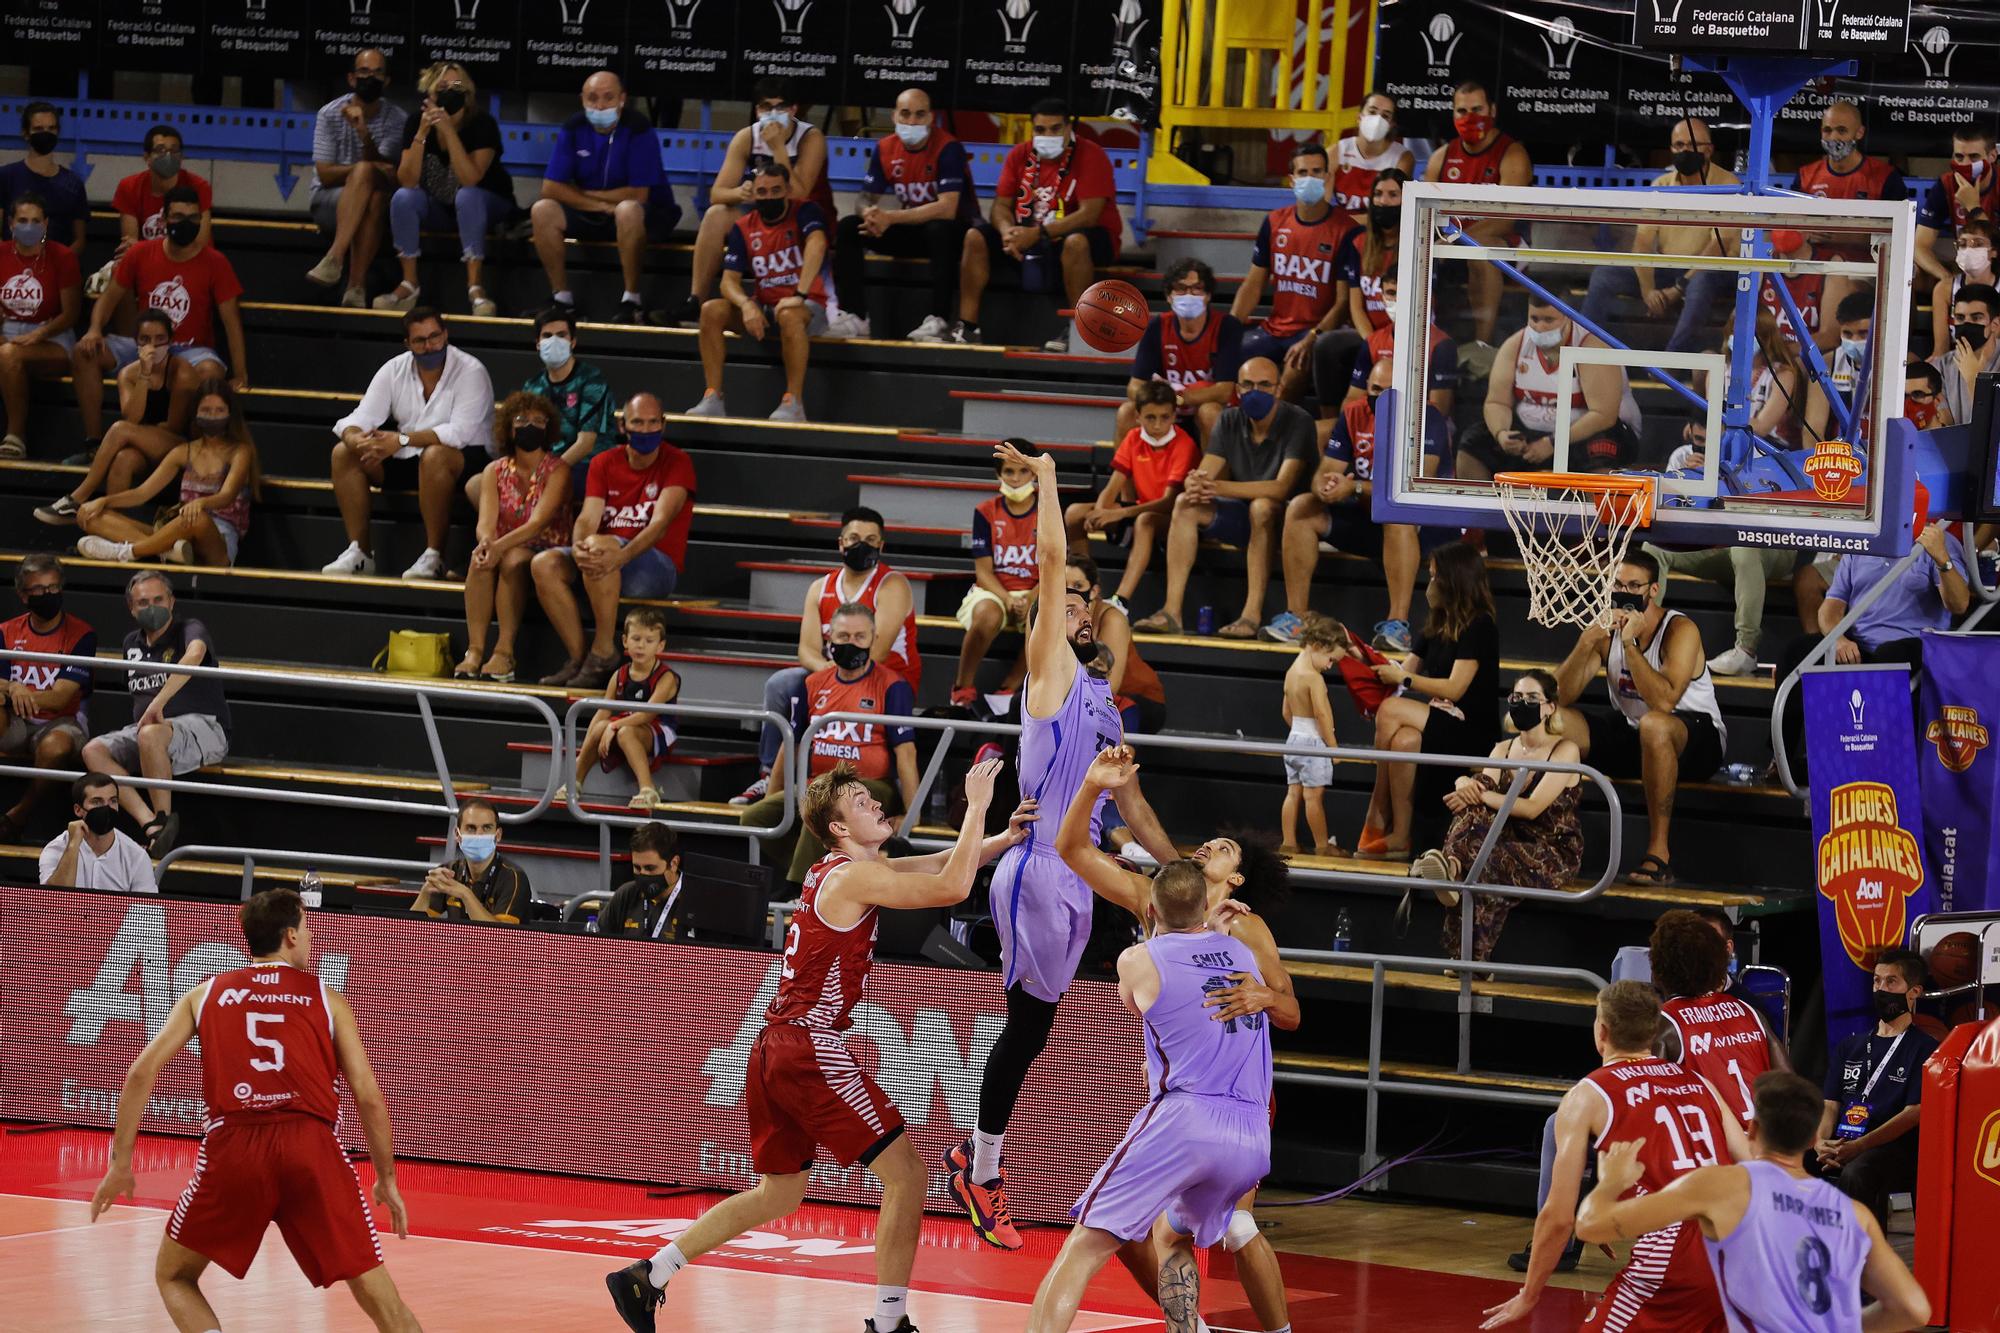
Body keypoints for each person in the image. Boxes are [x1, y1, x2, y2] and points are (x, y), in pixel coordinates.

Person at [606, 759, 1030, 1333]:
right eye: (861, 802)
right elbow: (951, 885)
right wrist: (977, 806)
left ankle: (648, 1274)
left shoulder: (843, 869)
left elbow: (935, 863)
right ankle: (888, 1323)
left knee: (779, 1192)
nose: (876, 804)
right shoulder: (851, 878)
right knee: (907, 1176)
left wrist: (1002, 838)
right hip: (809, 1046)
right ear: (838, 828)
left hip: (774, 1045)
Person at [947, 442, 1178, 1251]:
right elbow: (1051, 557)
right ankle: (979, 1169)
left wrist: (1176, 863)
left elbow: (1134, 804)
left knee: (1039, 1024)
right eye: (1069, 598)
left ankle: (985, 1162)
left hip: (1082, 869)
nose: (1079, 604)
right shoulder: (1047, 666)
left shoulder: (1105, 699)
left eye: (1085, 598)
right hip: (1040, 865)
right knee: (1028, 1023)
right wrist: (1047, 476)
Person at [88, 887, 421, 1333]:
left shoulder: (205, 994)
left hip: (235, 1148)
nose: (309, 938)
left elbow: (139, 1074)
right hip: (311, 1148)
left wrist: (120, 1164)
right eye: (305, 928)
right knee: (377, 1294)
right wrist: (387, 1177)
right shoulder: (325, 998)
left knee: (175, 1276)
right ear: (288, 935)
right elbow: (368, 1096)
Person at [1054, 745, 1297, 1333]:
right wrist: (1105, 784)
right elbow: (1077, 850)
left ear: (1236, 878)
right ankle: (1187, 1325)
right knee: (1165, 1231)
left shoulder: (1246, 926)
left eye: (1226, 847)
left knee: (1235, 1228)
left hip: (1237, 1095)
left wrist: (1264, 995)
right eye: (1210, 840)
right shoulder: (1156, 902)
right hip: (1180, 1095)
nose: (1211, 843)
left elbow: (1290, 1009)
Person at [1024, 860, 1276, 1333]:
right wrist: (1209, 936)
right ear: (1207, 904)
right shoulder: (1242, 954)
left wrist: (1174, 934)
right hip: (1252, 1133)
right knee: (1175, 1235)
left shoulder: (1137, 958)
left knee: (1084, 1244)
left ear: (1153, 908)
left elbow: (1140, 994)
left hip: (1187, 1117)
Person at [1479, 980, 1743, 1331]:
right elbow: (1754, 1159)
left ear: (1601, 1031)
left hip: (1675, 1247)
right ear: (1654, 1032)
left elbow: (1558, 1217)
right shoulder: (1698, 1082)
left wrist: (1530, 1292)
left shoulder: (1587, 1095)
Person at [1581, 1076, 1932, 1333]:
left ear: (1751, 1128)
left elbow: (1591, 1225)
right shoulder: (1854, 1215)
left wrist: (1610, 1182)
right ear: (1813, 1139)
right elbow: (1914, 1310)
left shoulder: (1724, 1185)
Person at [1554, 551, 1726, 886]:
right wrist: (1586, 641)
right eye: (1618, 584)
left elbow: (1664, 701)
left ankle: (1659, 852)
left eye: (1634, 585)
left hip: (1695, 735)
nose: (1624, 591)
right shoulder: (1606, 631)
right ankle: (1546, 836)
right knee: (1549, 721)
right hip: (1635, 731)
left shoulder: (1680, 629)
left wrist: (1630, 646)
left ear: (1653, 591)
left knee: (1654, 725)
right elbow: (1557, 698)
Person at [1269, 356, 1452, 651]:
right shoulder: (1353, 413)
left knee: (1396, 511)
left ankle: (1398, 624)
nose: (1378, 398)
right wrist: (1324, 487)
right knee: (1301, 507)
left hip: (1425, 528)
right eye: (1374, 389)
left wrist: (1353, 487)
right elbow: (1327, 468)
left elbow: (1415, 486)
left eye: (1387, 392)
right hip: (1365, 517)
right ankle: (1297, 616)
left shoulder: (1428, 418)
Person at [738, 508, 917, 806]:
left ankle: (886, 785)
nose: (863, 545)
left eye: (871, 540)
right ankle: (770, 774)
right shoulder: (820, 588)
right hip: (838, 674)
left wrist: (837, 680)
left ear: (882, 546)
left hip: (885, 680)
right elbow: (805, 650)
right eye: (855, 538)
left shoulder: (892, 585)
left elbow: (878, 651)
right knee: (782, 684)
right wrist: (828, 678)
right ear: (840, 543)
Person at [1404, 669, 1581, 964]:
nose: (1522, 703)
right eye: (1517, 697)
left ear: (1550, 707)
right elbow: (1478, 790)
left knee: (1483, 860)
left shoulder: (1565, 750)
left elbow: (1532, 807)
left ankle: (1467, 957)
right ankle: (1453, 866)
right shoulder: (1503, 748)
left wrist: (1476, 791)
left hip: (1550, 851)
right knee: (1477, 824)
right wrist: (1465, 783)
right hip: (1504, 840)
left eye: (1532, 698)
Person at [1133, 358, 1317, 640]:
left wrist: (1217, 487)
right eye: (1247, 385)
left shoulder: (1298, 421)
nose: (1255, 391)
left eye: (1264, 385)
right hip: (1243, 518)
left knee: (1262, 506)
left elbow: (1281, 488)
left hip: (1289, 524)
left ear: (1279, 389)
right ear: (1238, 389)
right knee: (1185, 504)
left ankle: (1251, 615)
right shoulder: (1230, 419)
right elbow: (1207, 472)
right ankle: (1171, 612)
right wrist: (1195, 482)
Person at [740, 603, 918, 881]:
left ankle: (797, 889)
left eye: (860, 637)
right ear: (829, 639)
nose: (852, 643)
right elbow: (792, 744)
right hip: (817, 784)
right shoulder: (812, 683)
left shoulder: (893, 685)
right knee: (754, 818)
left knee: (828, 804)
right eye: (844, 636)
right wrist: (776, 794)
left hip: (872, 786)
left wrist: (912, 812)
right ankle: (821, 875)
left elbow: (906, 753)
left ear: (874, 639)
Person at [532, 394, 696, 688]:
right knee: (545, 564)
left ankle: (605, 648)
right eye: (637, 422)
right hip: (605, 556)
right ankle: (581, 657)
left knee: (603, 545)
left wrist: (621, 555)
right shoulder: (604, 461)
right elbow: (587, 517)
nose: (645, 430)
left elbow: (659, 526)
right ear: (622, 425)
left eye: (652, 423)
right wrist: (580, 546)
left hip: (654, 565)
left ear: (663, 425)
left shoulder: (677, 462)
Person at [325, 307, 494, 580]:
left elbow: (459, 433)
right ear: (408, 344)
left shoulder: (470, 370)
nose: (429, 346)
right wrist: (356, 438)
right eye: (420, 340)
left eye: (435, 337)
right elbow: (359, 417)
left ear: (446, 334)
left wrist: (401, 439)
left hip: (465, 461)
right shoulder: (394, 368)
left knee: (435, 455)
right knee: (343, 453)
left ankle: (434, 555)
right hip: (409, 457)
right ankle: (360, 552)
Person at [1358, 543, 1501, 861]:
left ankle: (1377, 812)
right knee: (1405, 739)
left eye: (1435, 577)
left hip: (1471, 730)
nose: (1429, 584)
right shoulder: (1436, 622)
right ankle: (1400, 836)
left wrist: (1403, 681)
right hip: (1442, 720)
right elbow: (1404, 669)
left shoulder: (1480, 625)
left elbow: (1455, 688)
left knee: (1391, 709)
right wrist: (1359, 655)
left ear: (1454, 580)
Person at [71, 188, 246, 444]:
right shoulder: (140, 253)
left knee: (210, 371)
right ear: (163, 219)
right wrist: (95, 328)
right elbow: (108, 299)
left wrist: (240, 374)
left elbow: (232, 323)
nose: (186, 223)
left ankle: (192, 448)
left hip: (191, 350)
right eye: (178, 216)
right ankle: (93, 442)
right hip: (141, 344)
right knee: (83, 351)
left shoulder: (216, 262)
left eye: (193, 218)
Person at [951, 98, 1123, 350]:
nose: (1048, 135)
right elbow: (1000, 206)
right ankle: (967, 327)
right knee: (975, 237)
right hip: (1029, 237)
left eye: (1055, 129)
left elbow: (1090, 215)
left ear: (1068, 128)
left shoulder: (1091, 155)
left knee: (1076, 242)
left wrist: (1038, 233)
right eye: (1041, 130)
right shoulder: (1020, 154)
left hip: (1088, 239)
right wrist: (1008, 232)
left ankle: (1077, 328)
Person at [664, 76, 834, 328]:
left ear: (793, 110)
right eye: (766, 107)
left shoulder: (811, 137)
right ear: (757, 111)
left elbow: (799, 194)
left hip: (799, 218)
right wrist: (741, 193)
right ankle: (695, 300)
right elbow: (717, 193)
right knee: (716, 214)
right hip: (759, 215)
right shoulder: (746, 137)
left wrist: (777, 147)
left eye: (780, 107)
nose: (773, 113)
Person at [81, 571, 229, 855]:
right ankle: (151, 824)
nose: (152, 607)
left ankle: (163, 818)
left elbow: (195, 655)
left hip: (204, 728)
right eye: (143, 602)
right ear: (131, 608)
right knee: (93, 750)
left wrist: (157, 703)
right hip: (152, 732)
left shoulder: (189, 628)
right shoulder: (130, 644)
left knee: (149, 733)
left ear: (172, 602)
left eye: (158, 599)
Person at [532, 70, 679, 324]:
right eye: (592, 98)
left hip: (647, 213)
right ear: (582, 100)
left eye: (608, 98)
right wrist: (598, 204)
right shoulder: (574, 126)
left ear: (622, 99)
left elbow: (638, 193)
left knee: (627, 210)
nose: (600, 105)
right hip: (596, 212)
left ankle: (631, 299)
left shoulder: (639, 128)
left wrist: (582, 195)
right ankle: (562, 299)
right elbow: (551, 188)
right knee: (542, 209)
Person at [831, 86, 977, 341]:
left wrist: (891, 218)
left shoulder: (948, 147)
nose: (912, 121)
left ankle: (939, 320)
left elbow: (947, 208)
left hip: (955, 233)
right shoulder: (886, 148)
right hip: (913, 229)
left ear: (931, 118)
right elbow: (864, 197)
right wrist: (870, 214)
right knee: (848, 227)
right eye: (906, 114)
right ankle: (855, 316)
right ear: (894, 117)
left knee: (938, 229)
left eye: (920, 115)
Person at [1580, 119, 1740, 352]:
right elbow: (1643, 242)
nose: (1685, 151)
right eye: (1678, 145)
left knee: (1701, 281)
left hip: (1714, 271)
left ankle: (1669, 362)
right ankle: (1585, 349)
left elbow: (1719, 247)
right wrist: (1648, 290)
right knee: (1604, 275)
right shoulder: (1661, 184)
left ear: (1709, 149)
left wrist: (1678, 289)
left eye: (1692, 145)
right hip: (1670, 268)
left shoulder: (1728, 184)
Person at [688, 163, 828, 422]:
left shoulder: (806, 212)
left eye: (776, 190)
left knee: (789, 314)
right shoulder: (743, 226)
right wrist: (745, 304)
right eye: (762, 192)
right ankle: (713, 397)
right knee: (711, 310)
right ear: (754, 194)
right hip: (765, 307)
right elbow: (728, 281)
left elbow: (817, 245)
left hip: (808, 306)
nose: (769, 197)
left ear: (787, 190)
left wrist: (800, 293)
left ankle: (794, 401)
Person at [34, 308, 199, 523]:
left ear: (171, 341)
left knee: (120, 429)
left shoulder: (182, 374)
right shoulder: (129, 374)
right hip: (144, 442)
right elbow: (133, 417)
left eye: (160, 339)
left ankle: (78, 497)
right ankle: (111, 532)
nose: (153, 346)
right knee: (123, 459)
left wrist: (139, 434)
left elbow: (174, 427)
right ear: (136, 342)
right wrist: (145, 374)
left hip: (182, 446)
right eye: (146, 339)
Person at [1814, 951, 1938, 1229]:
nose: (1881, 989)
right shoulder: (1851, 1045)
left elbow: (1913, 1113)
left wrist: (1860, 1146)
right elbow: (1831, 1103)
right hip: (1845, 1140)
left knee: (1858, 1172)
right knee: (1790, 1160)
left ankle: (1868, 1263)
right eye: (1876, 981)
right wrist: (1820, 1141)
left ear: (1914, 992)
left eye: (1891, 982)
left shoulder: (1924, 1048)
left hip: (1894, 1147)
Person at [1457, 294, 1642, 481]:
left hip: (1589, 432)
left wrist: (1553, 442)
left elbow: (1604, 416)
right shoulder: (1515, 345)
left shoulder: (1592, 347)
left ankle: (1598, 509)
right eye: (1534, 319)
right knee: (1473, 444)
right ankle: (1481, 508)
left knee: (1600, 456)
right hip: (1534, 432)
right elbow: (1497, 401)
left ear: (1568, 317)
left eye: (1548, 320)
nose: (1540, 327)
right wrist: (1502, 433)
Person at [379, 62, 512, 318]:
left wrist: (449, 132)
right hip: (441, 207)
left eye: (456, 86)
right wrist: (423, 132)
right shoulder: (416, 122)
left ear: (468, 92)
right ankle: (409, 283)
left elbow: (471, 178)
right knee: (403, 198)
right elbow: (406, 180)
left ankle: (475, 287)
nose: (450, 91)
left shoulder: (482, 123)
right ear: (429, 93)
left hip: (487, 203)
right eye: (442, 87)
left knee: (467, 195)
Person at [456, 391, 573, 682]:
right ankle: (474, 649)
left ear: (548, 427)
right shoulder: (494, 470)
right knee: (479, 560)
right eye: (521, 420)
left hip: (546, 545)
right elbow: (486, 521)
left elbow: (538, 524)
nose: (529, 425)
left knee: (511, 559)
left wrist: (498, 546)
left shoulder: (557, 470)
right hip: (502, 543)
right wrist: (486, 544)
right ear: (509, 427)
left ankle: (505, 652)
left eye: (537, 420)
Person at [75, 382, 257, 568]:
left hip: (217, 539)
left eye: (219, 410)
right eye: (206, 410)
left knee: (199, 519)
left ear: (229, 414)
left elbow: (227, 496)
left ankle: (128, 551)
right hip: (179, 535)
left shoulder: (240, 451)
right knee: (91, 516)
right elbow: (141, 493)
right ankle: (168, 552)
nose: (212, 416)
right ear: (196, 413)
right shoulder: (183, 452)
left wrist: (201, 503)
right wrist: (104, 501)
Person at [1232, 143, 1354, 402]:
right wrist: (1229, 327)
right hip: (1273, 330)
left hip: (1314, 333)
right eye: (1303, 172)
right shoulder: (1274, 221)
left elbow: (1344, 303)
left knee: (1286, 383)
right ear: (1291, 180)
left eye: (1317, 172)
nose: (1310, 178)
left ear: (1328, 177)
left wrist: (1313, 337)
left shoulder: (1347, 230)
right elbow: (1253, 285)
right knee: (1225, 360)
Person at [1065, 382, 1200, 608]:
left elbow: (1168, 503)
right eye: (1150, 417)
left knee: (1146, 520)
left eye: (1164, 417)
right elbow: (1114, 484)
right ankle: (1085, 590)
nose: (1157, 425)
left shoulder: (1184, 444)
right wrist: (1100, 511)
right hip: (1139, 509)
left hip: (1172, 519)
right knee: (1074, 513)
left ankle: (1121, 601)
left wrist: (1118, 513)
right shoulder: (1134, 438)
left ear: (1174, 416)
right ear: (1137, 416)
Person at [1650, 908, 1787, 1129]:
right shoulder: (1749, 1011)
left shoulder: (1665, 1023)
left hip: (1715, 1149)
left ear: (1660, 965)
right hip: (1765, 1143)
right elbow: (1790, 1087)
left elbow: (1653, 1105)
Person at [1422, 81, 1532, 356]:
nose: (1469, 118)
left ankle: (1482, 345)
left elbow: (1507, 218)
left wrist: (1456, 240)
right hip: (1451, 246)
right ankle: (1420, 339)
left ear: (1492, 110)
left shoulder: (1512, 153)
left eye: (1477, 109)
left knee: (1480, 248)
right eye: (1461, 111)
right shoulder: (1441, 157)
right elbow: (1425, 214)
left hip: (1507, 246)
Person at [0, 554, 94, 841]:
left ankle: (18, 816)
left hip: (61, 721)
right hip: (16, 720)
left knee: (55, 747)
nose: (48, 595)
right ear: (22, 595)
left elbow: (60, 697)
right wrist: (13, 689)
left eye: (53, 588)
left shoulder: (82, 634)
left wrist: (14, 690)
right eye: (39, 590)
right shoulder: (6, 631)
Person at [307, 48, 409, 308]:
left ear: (386, 81)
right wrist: (360, 171)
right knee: (364, 172)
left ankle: (351, 283)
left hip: (376, 204)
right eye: (364, 72)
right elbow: (326, 174)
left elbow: (387, 175)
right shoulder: (329, 113)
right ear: (351, 78)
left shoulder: (397, 119)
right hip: (328, 201)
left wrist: (363, 132)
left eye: (377, 73)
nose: (370, 78)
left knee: (374, 196)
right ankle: (344, 267)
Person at [952, 441, 1047, 706]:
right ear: (998, 475)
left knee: (1040, 616)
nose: (1016, 479)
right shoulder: (985, 512)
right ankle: (962, 686)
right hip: (994, 590)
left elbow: (1054, 567)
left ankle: (1010, 689)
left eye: (1023, 472)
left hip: (1036, 590)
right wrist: (1007, 599)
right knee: (988, 614)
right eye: (1008, 472)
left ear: (1034, 473)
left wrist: (1029, 598)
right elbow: (982, 572)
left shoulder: (1048, 510)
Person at [570, 607, 682, 811]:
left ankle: (648, 789)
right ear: (625, 641)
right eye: (636, 639)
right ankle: (575, 782)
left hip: (659, 728)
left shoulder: (666, 677)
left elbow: (649, 714)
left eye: (649, 641)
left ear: (661, 646)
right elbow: (602, 712)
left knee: (624, 731)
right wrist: (585, 748)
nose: (641, 646)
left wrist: (614, 726)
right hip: (627, 724)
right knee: (602, 725)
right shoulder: (619, 675)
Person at [1311, 168, 1406, 409]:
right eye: (1379, 194)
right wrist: (1371, 341)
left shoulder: (1419, 243)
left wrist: (1390, 341)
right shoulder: (1358, 243)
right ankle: (1330, 418)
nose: (1385, 201)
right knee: (1327, 346)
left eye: (1394, 195)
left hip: (1406, 335)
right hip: (1367, 333)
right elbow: (1355, 304)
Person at [1122, 258, 1242, 446]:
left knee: (1209, 412)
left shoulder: (1227, 327)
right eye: (1181, 288)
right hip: (1168, 409)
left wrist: (1178, 398)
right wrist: (1163, 403)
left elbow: (1225, 391)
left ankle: (1209, 475)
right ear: (1169, 296)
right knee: (1127, 412)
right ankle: (1123, 474)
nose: (1189, 295)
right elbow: (1134, 387)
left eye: (1196, 288)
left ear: (1208, 295)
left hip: (1206, 407)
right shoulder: (1157, 327)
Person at [0, 191, 81, 459]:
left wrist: (39, 334)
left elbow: (70, 314)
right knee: (8, 353)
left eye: (36, 221)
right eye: (22, 220)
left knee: (9, 355)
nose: (29, 226)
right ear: (10, 223)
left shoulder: (62, 257)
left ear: (46, 224)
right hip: (7, 332)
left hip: (53, 336)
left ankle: (16, 436)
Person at [1793, 100, 1907, 265]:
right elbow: (1788, 226)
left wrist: (1848, 237)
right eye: (1827, 130)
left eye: (1841, 130)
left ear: (1859, 133)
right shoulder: (1805, 176)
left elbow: (1901, 234)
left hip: (1866, 271)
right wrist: (1806, 233)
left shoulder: (1886, 177)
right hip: (1814, 268)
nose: (1834, 138)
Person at [1066, 556, 1166, 737]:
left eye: (1078, 586)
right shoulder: (1047, 615)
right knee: (1021, 701)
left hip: (1135, 696)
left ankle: (1121, 763)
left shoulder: (1112, 619)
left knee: (1121, 709)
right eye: (1063, 585)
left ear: (1094, 591)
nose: (1070, 591)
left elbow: (1110, 687)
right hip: (1079, 693)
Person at [514, 307, 617, 479]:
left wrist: (547, 474)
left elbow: (586, 443)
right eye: (547, 336)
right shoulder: (532, 387)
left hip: (588, 465)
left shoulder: (592, 381)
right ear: (538, 344)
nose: (554, 341)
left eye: (561, 335)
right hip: (545, 465)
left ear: (573, 342)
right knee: (477, 484)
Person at [409, 797, 532, 924]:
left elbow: (499, 938)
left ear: (498, 835)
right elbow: (409, 929)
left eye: (486, 828)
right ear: (457, 835)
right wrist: (426, 892)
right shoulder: (448, 872)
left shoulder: (513, 877)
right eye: (471, 828)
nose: (479, 834)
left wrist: (466, 894)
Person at [1280, 614, 1341, 856]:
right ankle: (1323, 846)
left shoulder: (1291, 671)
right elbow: (1323, 716)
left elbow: (1285, 711)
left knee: (1293, 793)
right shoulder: (1314, 679)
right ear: (1317, 647)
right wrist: (1334, 748)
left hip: (1293, 739)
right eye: (1330, 659)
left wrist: (1298, 732)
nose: (1330, 665)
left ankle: (1289, 841)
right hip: (1314, 742)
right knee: (1314, 797)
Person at [1914, 123, 1997, 290]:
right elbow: (1919, 246)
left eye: (1974, 157)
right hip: (1963, 259)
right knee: (1912, 273)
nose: (1965, 164)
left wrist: (1974, 207)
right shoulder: (1946, 184)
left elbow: (1997, 251)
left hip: (1994, 266)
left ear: (1992, 156)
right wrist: (1946, 278)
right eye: (1959, 157)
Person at [0, 103, 88, 260]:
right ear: (26, 133)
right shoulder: (6, 177)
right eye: (39, 129)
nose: (45, 134)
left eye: (51, 128)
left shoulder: (74, 183)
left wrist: (56, 266)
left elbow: (79, 241)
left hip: (57, 272)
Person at [39, 773, 154, 892]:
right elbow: (54, 901)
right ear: (78, 810)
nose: (107, 807)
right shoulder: (57, 848)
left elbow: (147, 908)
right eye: (97, 802)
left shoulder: (137, 856)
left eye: (113, 801)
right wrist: (73, 846)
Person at [113, 126, 213, 256]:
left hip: (192, 261)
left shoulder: (198, 186)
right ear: (147, 157)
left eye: (174, 150)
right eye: (160, 150)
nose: (168, 155)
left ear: (181, 157)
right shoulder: (129, 187)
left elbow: (200, 243)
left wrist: (145, 249)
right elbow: (129, 245)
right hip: (146, 264)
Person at [596, 822, 686, 939]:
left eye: (650, 868)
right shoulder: (626, 894)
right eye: (637, 868)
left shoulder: (693, 899)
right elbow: (599, 944)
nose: (643, 874)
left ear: (673, 864)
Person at [1332, 91, 1415, 216]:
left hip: (1380, 230)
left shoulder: (1402, 158)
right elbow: (1320, 204)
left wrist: (1345, 223)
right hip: (1342, 231)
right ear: (1359, 117)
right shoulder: (1337, 151)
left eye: (1385, 116)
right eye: (1372, 112)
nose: (1377, 120)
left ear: (1391, 125)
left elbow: (1391, 212)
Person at [1925, 217, 1994, 364]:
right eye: (1963, 244)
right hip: (1957, 360)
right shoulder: (1944, 289)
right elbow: (1940, 350)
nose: (1969, 250)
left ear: (1993, 251)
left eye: (1978, 244)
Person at [1935, 281, 2000, 423]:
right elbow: (1945, 430)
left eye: (1976, 318)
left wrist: (1973, 379)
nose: (1967, 324)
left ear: (1995, 325)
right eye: (1960, 318)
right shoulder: (1940, 367)